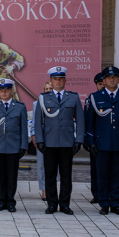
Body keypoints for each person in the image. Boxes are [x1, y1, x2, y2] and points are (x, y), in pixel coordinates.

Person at [85, 66, 119, 215]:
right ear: (104, 80)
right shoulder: (95, 97)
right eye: (108, 77)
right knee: (102, 175)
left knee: (118, 175)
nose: (111, 79)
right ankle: (104, 203)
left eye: (114, 77)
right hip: (102, 142)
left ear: (118, 79)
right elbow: (90, 122)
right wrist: (90, 141)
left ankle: (115, 203)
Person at [33, 67, 83, 215]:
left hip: (67, 142)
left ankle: (65, 204)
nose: (58, 81)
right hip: (49, 142)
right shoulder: (43, 98)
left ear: (65, 80)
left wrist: (79, 140)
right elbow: (38, 121)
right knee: (50, 175)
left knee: (66, 175)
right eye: (55, 79)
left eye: (61, 78)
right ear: (51, 81)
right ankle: (52, 204)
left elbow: (80, 120)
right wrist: (40, 140)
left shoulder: (73, 97)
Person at [0, 78, 28, 212]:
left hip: (13, 146)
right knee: (0, 175)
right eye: (1, 91)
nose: (4, 93)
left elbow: (23, 128)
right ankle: (2, 201)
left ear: (11, 91)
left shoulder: (20, 107)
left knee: (12, 176)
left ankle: (10, 202)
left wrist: (23, 146)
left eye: (6, 90)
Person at [85, 72, 104, 204]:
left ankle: (107, 193)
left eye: (103, 83)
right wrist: (88, 139)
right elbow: (88, 120)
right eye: (100, 84)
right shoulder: (91, 99)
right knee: (96, 168)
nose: (102, 86)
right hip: (95, 139)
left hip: (108, 138)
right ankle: (96, 193)